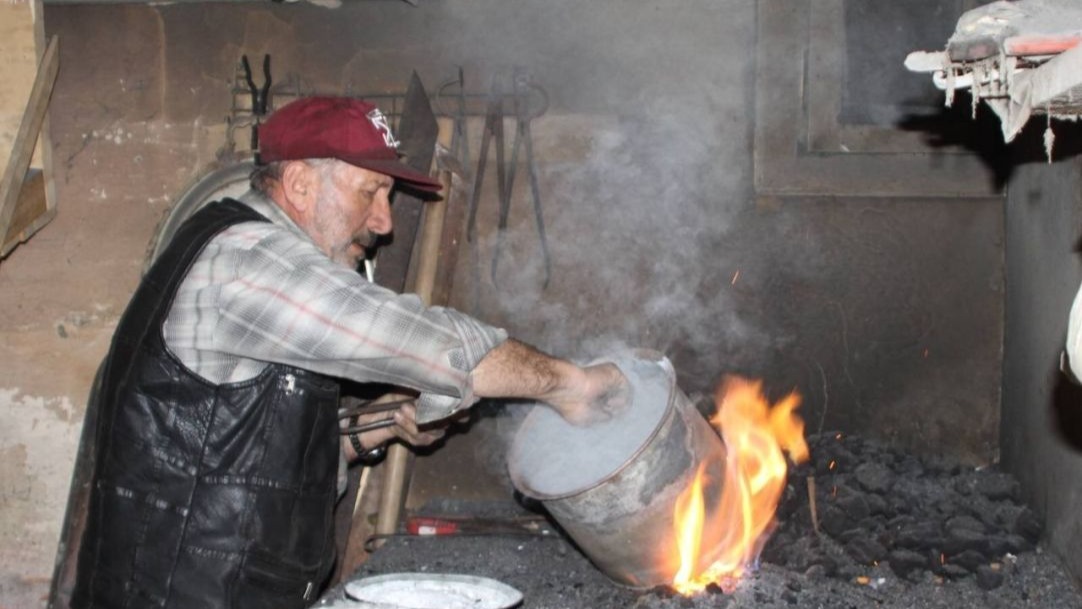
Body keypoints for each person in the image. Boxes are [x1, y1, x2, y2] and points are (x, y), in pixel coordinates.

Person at [72, 96, 628, 609]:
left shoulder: (248, 257)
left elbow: (240, 456)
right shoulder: (248, 262)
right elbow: (428, 344)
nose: (384, 221)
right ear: (299, 184)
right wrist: (570, 385)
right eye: (370, 192)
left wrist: (371, 429)